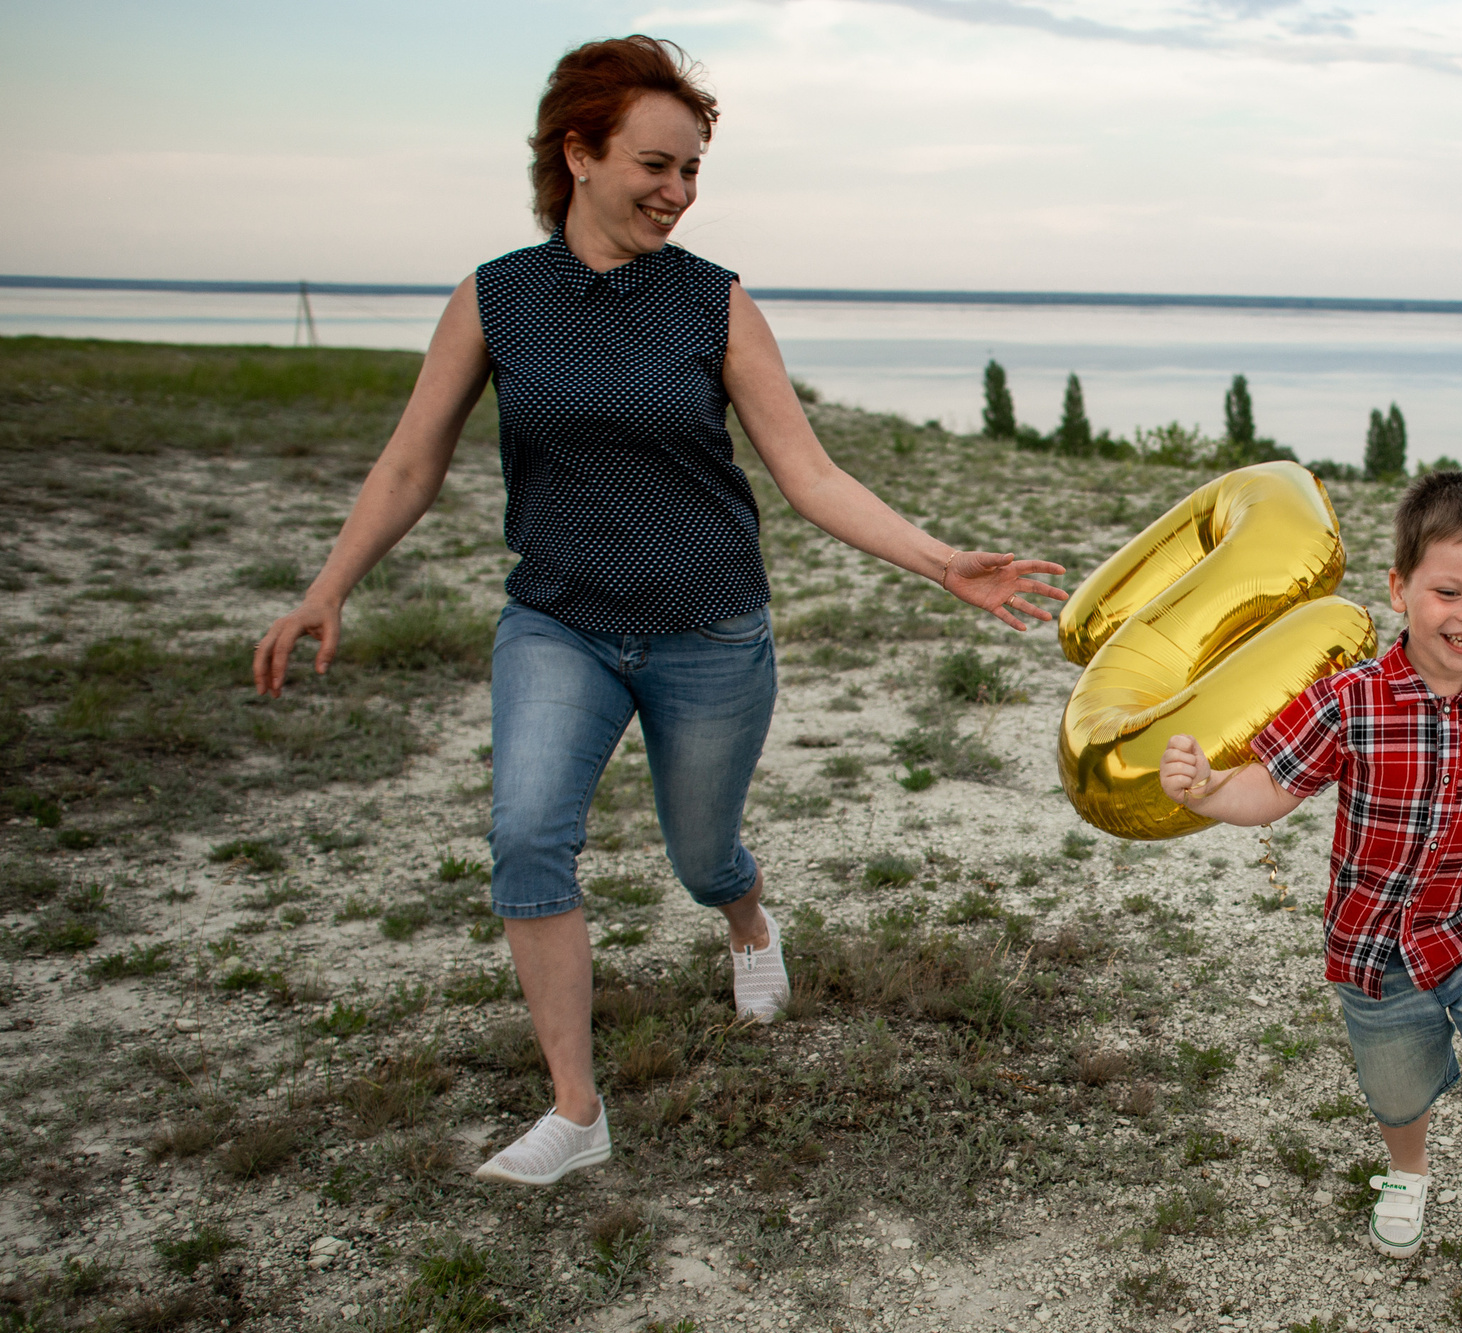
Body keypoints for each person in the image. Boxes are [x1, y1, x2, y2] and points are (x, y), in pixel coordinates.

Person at [251, 37, 1065, 1186]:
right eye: (655, 165)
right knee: (529, 836)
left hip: (708, 628)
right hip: (559, 622)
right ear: (578, 153)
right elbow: (407, 465)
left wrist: (941, 563)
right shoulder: (497, 299)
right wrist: (327, 587)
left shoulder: (713, 303)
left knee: (700, 854)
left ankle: (747, 923)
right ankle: (576, 1111)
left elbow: (810, 472)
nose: (676, 193)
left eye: (692, 172)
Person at [1156, 473, 1462, 1333]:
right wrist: (1204, 794)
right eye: (1448, 590)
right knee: (1395, 1086)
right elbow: (1269, 787)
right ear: (1400, 589)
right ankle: (1408, 1172)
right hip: (1374, 946)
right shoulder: (1349, 700)